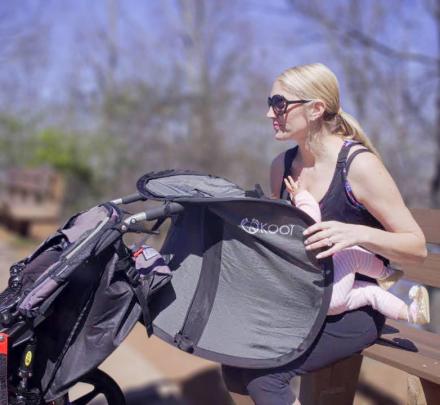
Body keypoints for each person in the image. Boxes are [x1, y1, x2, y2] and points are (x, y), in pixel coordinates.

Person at [221, 63, 427, 405]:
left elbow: (416, 247)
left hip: (351, 309)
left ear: (316, 109)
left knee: (265, 376)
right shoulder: (282, 166)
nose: (269, 113)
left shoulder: (358, 167)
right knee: (234, 360)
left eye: (279, 103)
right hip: (302, 301)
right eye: (271, 103)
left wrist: (354, 233)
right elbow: (282, 240)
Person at [284, 175, 430, 323]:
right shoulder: (296, 232)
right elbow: (310, 217)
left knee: (370, 293)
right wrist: (300, 194)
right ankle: (385, 274)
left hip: (316, 306)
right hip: (327, 294)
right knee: (350, 252)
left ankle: (411, 313)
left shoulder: (275, 243)